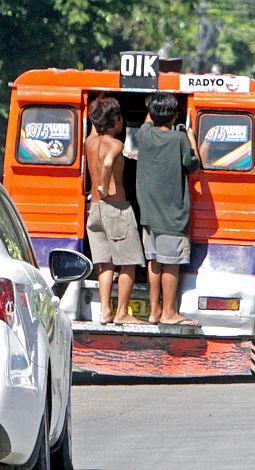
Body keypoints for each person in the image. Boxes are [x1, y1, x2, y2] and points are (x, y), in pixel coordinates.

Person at [136, 92, 201, 326]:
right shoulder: (179, 139)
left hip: (149, 216)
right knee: (170, 264)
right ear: (175, 116)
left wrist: (157, 97)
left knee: (154, 262)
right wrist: (191, 137)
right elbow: (193, 165)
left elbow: (147, 120)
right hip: (172, 215)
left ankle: (154, 311)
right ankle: (169, 312)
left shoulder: (144, 134)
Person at [85, 97, 146, 325]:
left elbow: (95, 127)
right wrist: (104, 183)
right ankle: (121, 312)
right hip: (116, 207)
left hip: (96, 210)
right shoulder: (116, 144)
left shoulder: (89, 143)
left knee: (104, 262)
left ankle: (104, 311)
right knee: (128, 261)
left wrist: (96, 105)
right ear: (116, 121)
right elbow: (109, 162)